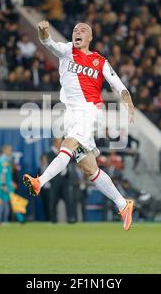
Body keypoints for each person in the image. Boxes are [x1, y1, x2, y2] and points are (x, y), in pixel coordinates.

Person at [23, 21, 136, 231]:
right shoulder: (67, 51)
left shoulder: (99, 61)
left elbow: (118, 85)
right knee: (89, 168)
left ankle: (40, 181)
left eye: (83, 30)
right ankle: (123, 204)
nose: (78, 32)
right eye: (75, 29)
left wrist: (128, 103)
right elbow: (48, 43)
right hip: (71, 114)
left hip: (90, 111)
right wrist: (42, 31)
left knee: (68, 143)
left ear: (90, 38)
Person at [0, 145, 14, 224]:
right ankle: (21, 220)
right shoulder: (4, 161)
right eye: (10, 150)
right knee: (12, 200)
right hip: (4, 184)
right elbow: (3, 174)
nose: (11, 151)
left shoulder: (3, 160)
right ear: (5, 150)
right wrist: (4, 185)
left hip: (3, 184)